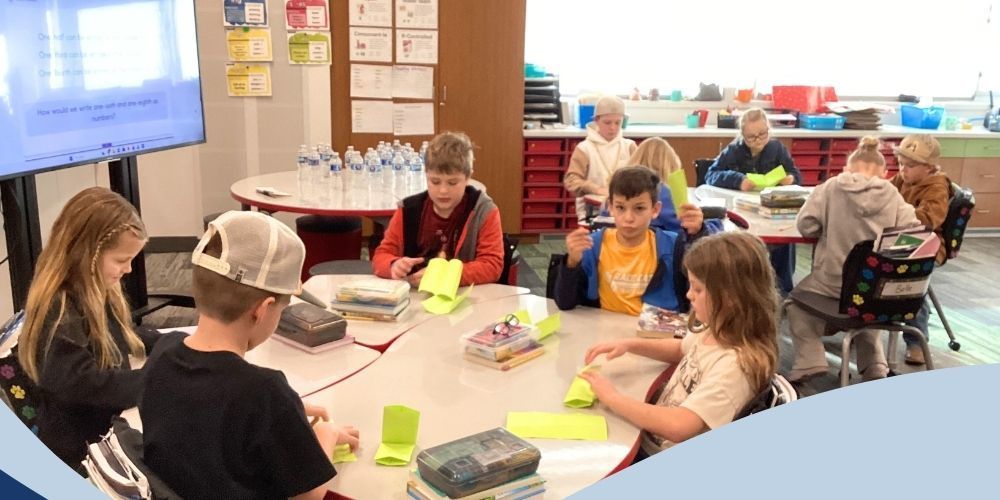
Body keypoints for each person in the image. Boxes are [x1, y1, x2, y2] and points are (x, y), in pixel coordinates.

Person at [141, 211, 358, 499]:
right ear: (263, 309)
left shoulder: (162, 353)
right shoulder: (264, 392)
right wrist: (325, 437)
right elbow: (309, 495)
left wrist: (284, 416)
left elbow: (205, 413)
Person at [579, 231, 778, 456]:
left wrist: (613, 397)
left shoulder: (735, 366)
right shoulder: (718, 328)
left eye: (698, 289)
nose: (689, 295)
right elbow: (681, 349)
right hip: (653, 435)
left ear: (731, 296)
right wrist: (631, 344)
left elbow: (678, 426)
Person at [17, 186, 161, 469]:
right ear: (88, 254)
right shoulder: (58, 311)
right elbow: (84, 385)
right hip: (79, 452)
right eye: (121, 260)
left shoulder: (92, 289)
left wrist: (169, 342)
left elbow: (119, 333)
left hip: (102, 430)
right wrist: (158, 380)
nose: (129, 269)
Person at [786, 136, 921, 383]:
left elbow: (806, 224)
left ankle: (810, 359)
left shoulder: (831, 187)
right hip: (874, 290)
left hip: (832, 283)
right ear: (885, 172)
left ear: (847, 168)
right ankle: (875, 366)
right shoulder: (892, 193)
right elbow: (914, 233)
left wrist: (826, 227)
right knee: (865, 306)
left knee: (794, 304)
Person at [373, 131, 504, 287]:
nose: (443, 190)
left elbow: (492, 265)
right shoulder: (408, 210)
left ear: (468, 178)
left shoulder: (484, 211)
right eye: (435, 182)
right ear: (426, 175)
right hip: (413, 295)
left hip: (462, 297)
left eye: (452, 183)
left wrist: (445, 276)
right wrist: (393, 265)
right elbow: (381, 255)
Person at [553, 166, 689, 316]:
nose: (628, 218)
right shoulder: (592, 245)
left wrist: (697, 233)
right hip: (604, 329)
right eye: (620, 208)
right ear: (610, 207)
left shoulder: (673, 246)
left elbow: (702, 287)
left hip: (656, 333)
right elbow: (565, 303)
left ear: (655, 210)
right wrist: (571, 263)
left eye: (639, 208)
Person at [705, 107, 803, 295]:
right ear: (742, 135)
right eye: (751, 137)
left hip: (772, 210)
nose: (758, 140)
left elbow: (795, 173)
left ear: (769, 129)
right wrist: (738, 180)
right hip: (744, 210)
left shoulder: (777, 148)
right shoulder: (734, 150)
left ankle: (783, 288)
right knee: (743, 243)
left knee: (785, 238)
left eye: (762, 134)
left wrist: (790, 178)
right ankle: (746, 287)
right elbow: (711, 174)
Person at [890, 134, 952, 366]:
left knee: (911, 284)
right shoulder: (902, 179)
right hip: (902, 239)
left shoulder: (937, 187)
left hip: (927, 244)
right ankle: (867, 327)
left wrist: (897, 213)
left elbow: (928, 220)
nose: (903, 169)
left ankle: (916, 340)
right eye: (901, 163)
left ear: (930, 167)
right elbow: (884, 194)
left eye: (910, 165)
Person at [623, 137, 722, 237]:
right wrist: (716, 223)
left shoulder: (619, 190)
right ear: (671, 165)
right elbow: (688, 229)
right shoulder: (666, 194)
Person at [564, 95, 638, 222]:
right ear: (597, 120)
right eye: (607, 122)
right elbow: (572, 181)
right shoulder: (585, 148)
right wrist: (596, 189)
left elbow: (641, 178)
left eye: (617, 123)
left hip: (625, 210)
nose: (613, 127)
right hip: (593, 211)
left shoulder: (629, 146)